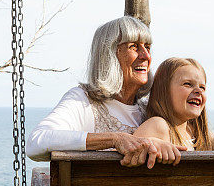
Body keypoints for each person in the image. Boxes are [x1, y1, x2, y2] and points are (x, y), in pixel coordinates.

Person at [25, 16, 184, 167]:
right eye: (134, 47)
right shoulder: (83, 100)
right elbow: (36, 142)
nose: (146, 56)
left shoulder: (149, 108)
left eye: (147, 47)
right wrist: (115, 139)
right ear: (109, 54)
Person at [134, 57, 214, 151]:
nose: (198, 91)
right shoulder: (158, 125)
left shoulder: (194, 133)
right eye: (188, 84)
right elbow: (133, 151)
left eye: (202, 87)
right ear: (164, 91)